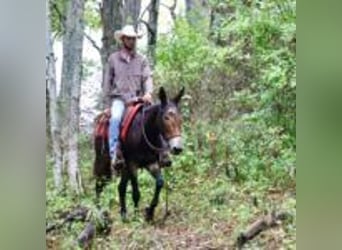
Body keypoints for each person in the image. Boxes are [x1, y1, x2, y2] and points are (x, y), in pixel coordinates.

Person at [103, 25, 169, 170]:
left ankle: (163, 153)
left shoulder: (142, 59)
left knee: (159, 115)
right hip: (120, 99)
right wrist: (107, 105)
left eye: (133, 38)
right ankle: (114, 154)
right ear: (123, 39)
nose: (131, 41)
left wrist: (148, 93)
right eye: (128, 38)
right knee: (115, 119)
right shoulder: (113, 59)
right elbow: (107, 82)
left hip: (139, 98)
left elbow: (147, 78)